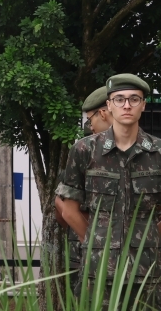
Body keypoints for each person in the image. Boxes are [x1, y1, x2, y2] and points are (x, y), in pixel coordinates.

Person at [55, 74, 159, 306]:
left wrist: (150, 239)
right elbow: (68, 210)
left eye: (134, 99)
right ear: (109, 106)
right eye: (119, 99)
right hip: (98, 272)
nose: (127, 105)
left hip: (147, 273)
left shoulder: (157, 153)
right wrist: (97, 242)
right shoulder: (84, 150)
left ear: (143, 105)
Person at [54, 86, 110, 289]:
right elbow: (61, 206)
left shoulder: (148, 153)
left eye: (90, 120)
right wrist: (89, 237)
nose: (91, 128)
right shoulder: (83, 153)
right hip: (85, 252)